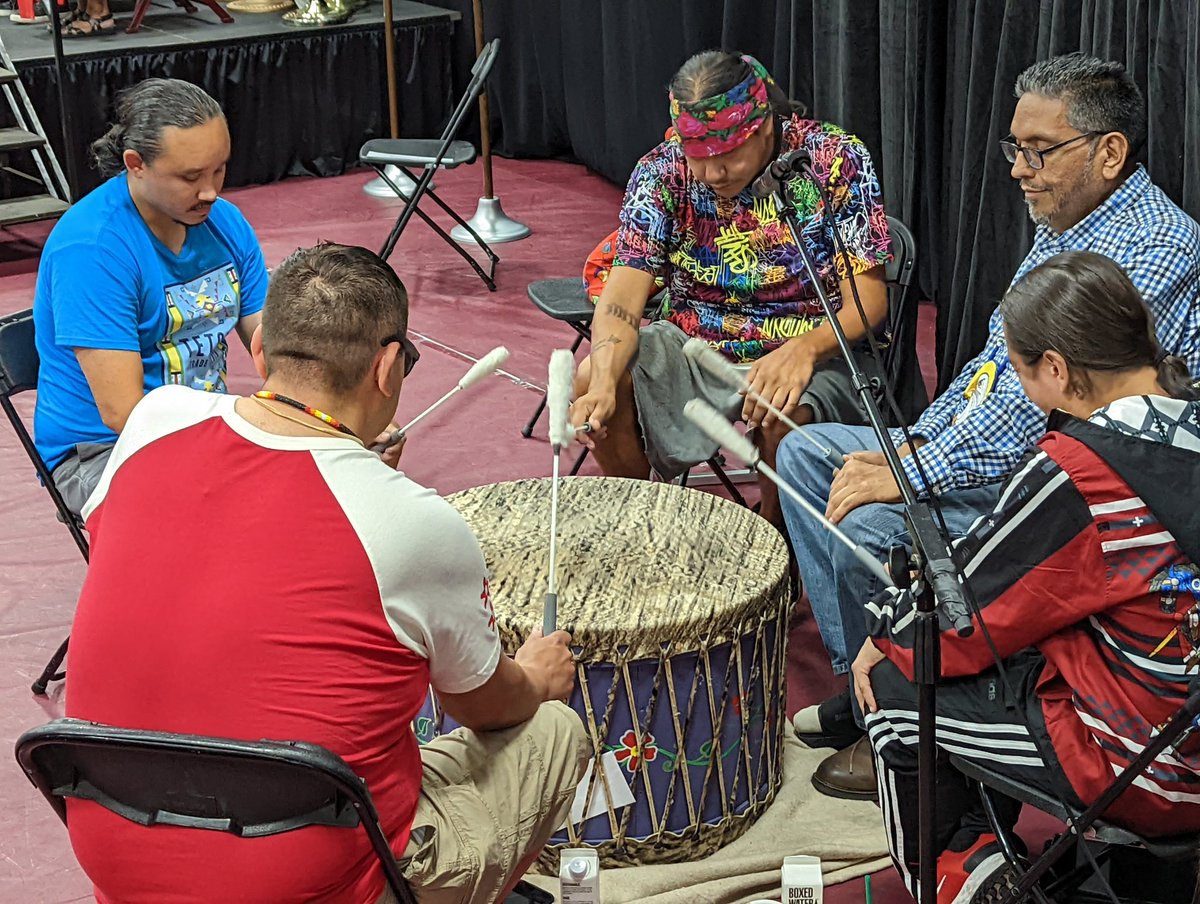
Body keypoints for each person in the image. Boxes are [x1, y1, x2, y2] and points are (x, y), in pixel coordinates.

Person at [62, 243, 590, 904]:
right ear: (389, 367)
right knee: (551, 730)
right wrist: (537, 677)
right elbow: (483, 706)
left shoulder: (154, 421)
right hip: (320, 880)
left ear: (259, 356)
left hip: (119, 853)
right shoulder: (411, 521)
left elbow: (228, 539)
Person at [784, 53, 1200, 798]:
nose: (1019, 169)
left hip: (1066, 486)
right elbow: (989, 376)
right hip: (1008, 460)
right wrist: (914, 443)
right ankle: (870, 681)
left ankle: (906, 717)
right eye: (1015, 148)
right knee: (810, 454)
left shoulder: (1158, 245)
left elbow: (1051, 405)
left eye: (1040, 151)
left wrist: (911, 471)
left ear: (1110, 152)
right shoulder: (1066, 219)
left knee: (879, 530)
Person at [854, 250, 1200, 903]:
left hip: (1155, 773)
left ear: (1058, 370)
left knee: (900, 685)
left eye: (1019, 371)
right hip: (1183, 718)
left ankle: (956, 877)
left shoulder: (1084, 470)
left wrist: (885, 633)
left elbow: (968, 615)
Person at [569, 49, 892, 524]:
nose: (712, 174)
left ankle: (777, 549)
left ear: (763, 127)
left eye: (726, 156)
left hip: (807, 341)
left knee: (782, 414)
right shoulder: (662, 171)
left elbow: (869, 301)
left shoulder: (833, 159)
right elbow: (621, 296)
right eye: (697, 158)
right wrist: (600, 381)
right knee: (593, 381)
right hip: (695, 343)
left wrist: (802, 351)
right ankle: (645, 521)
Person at [32, 78, 268, 517]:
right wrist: (244, 441)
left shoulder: (225, 223)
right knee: (239, 513)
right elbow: (125, 414)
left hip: (204, 432)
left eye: (219, 169)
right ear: (135, 164)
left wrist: (329, 420)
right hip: (102, 452)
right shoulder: (93, 248)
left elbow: (276, 348)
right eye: (190, 176)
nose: (211, 191)